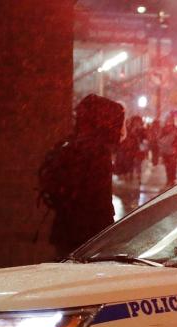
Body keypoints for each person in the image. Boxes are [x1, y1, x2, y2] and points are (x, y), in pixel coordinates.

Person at [49, 94, 124, 257]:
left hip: (66, 229)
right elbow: (99, 201)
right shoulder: (97, 152)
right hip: (88, 235)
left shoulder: (71, 145)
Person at [158, 113, 177, 187]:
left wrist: (176, 146)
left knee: (173, 166)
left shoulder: (175, 129)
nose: (169, 122)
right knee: (167, 166)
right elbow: (160, 138)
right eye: (168, 120)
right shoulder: (164, 129)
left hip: (173, 151)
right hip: (165, 150)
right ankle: (169, 179)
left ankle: (172, 179)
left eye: (170, 120)